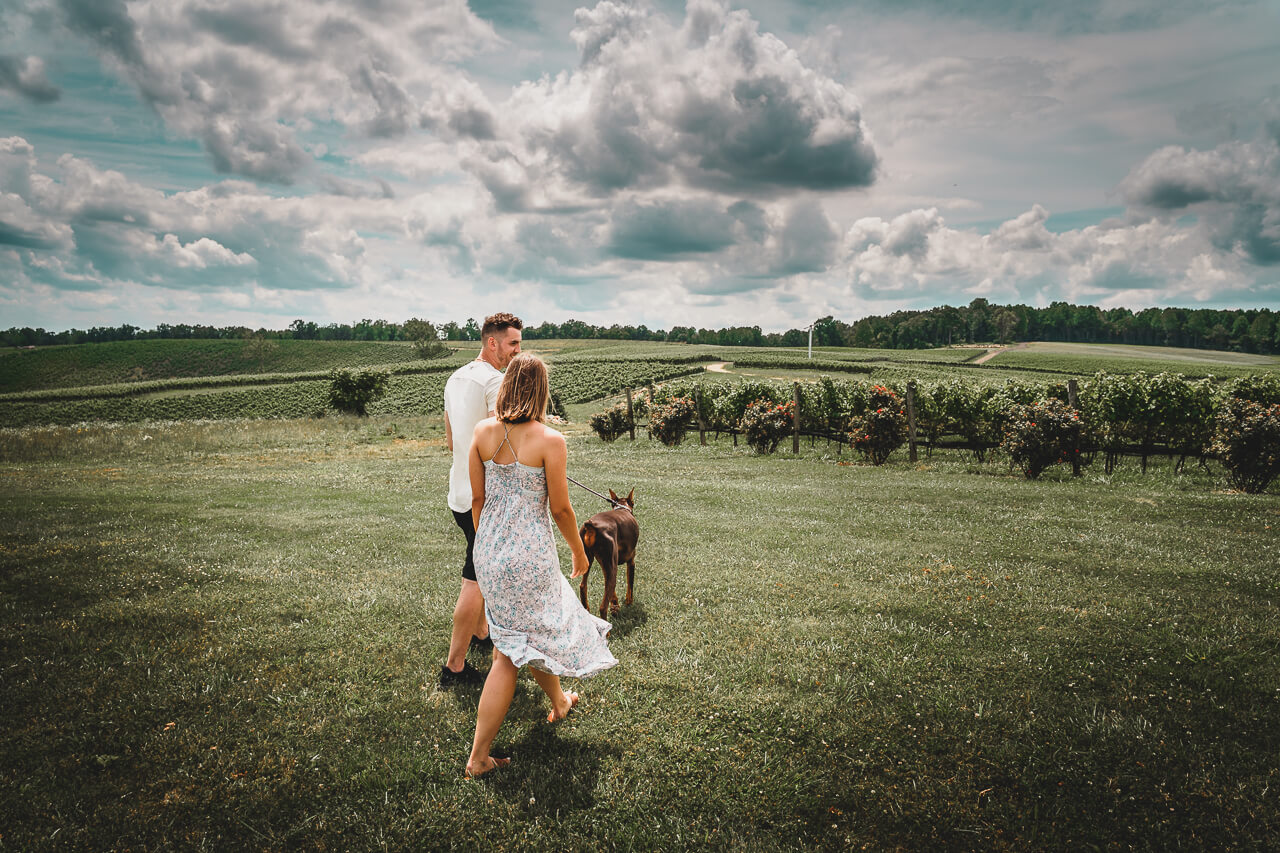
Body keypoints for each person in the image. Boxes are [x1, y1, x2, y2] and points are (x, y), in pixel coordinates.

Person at [464, 354, 617, 779]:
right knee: (505, 654)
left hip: (489, 550)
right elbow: (562, 509)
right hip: (530, 554)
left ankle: (560, 702)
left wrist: (490, 546)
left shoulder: (481, 433)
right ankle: (477, 758)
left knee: (524, 636)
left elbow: (477, 500)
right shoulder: (551, 441)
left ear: (508, 385)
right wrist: (579, 553)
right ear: (542, 390)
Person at [439, 312, 523, 688]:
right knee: (475, 579)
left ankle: (482, 632)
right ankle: (454, 667)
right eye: (513, 344)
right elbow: (499, 443)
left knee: (480, 566)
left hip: (458, 493)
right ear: (493, 343)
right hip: (483, 498)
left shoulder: (455, 378)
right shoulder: (496, 381)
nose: (517, 352)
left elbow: (451, 441)